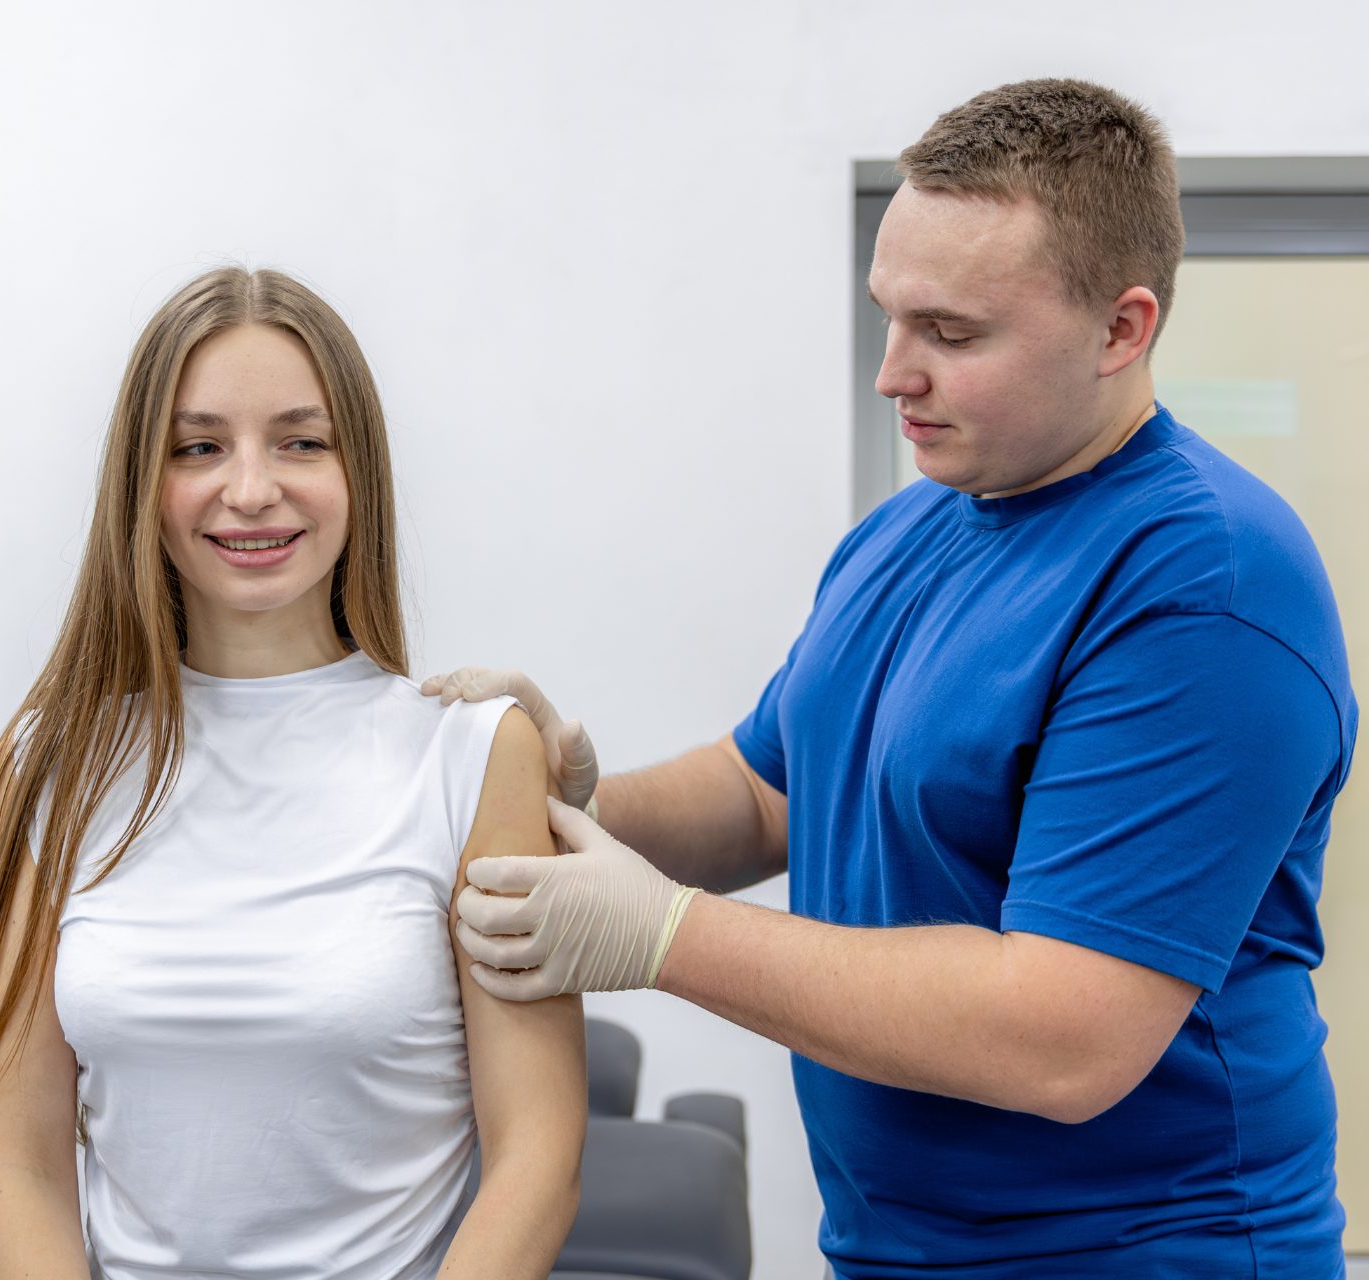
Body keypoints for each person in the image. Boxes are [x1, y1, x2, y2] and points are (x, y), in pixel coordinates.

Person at [425, 80, 1355, 1279]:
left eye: (952, 334)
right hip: (895, 1245)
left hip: (1144, 1254)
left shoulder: (1204, 585)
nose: (892, 374)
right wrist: (544, 804)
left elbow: (1063, 1035)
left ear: (1123, 330)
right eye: (888, 317)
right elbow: (771, 789)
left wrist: (663, 934)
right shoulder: (915, 529)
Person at [0, 267, 586, 1280]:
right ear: (141, 485)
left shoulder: (474, 753)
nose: (251, 488)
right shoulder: (50, 765)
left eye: (301, 439)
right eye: (199, 446)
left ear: (358, 472)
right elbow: (17, 1159)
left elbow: (538, 1156)